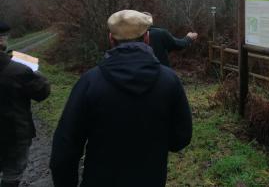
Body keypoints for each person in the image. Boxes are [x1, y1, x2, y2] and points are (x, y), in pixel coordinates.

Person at [50, 10, 192, 187]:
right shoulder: (169, 80)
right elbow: (181, 138)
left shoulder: (90, 82)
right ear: (147, 38)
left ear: (111, 39)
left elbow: (65, 148)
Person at [0, 22, 50, 187]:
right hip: (14, 134)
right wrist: (33, 70)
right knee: (12, 174)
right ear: (1, 41)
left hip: (14, 135)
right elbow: (42, 92)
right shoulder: (19, 70)